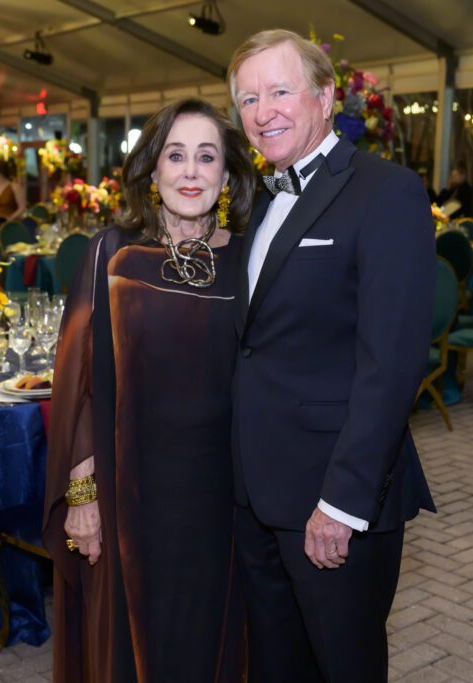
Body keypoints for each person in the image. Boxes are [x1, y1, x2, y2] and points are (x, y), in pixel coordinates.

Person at [228, 29, 436, 682]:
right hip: (253, 491)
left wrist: (343, 503)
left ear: (324, 95)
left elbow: (393, 362)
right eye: (248, 98)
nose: (264, 112)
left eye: (280, 91)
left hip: (331, 500)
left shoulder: (386, 192)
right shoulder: (253, 201)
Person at [43, 98, 256, 682]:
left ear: (226, 174)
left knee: (215, 642)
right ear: (152, 171)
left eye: (206, 157)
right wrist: (82, 496)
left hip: (223, 501)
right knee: (129, 648)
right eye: (176, 155)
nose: (191, 172)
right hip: (127, 494)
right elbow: (77, 383)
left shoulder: (249, 261)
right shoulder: (112, 253)